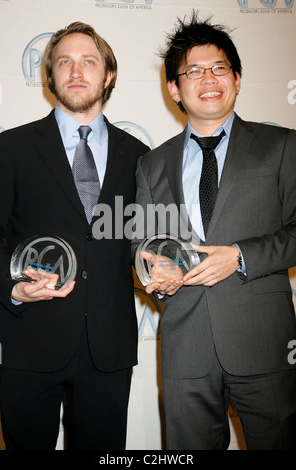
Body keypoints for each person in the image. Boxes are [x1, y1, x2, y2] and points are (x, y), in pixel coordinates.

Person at [132, 11, 296, 450]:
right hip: (186, 346)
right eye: (193, 71)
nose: (209, 78)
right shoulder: (151, 164)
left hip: (264, 341)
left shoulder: (282, 147)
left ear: (237, 79)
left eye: (219, 68)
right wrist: (154, 276)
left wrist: (240, 256)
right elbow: (144, 244)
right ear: (174, 88)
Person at [0, 22, 149, 450]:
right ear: (51, 76)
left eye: (89, 61)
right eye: (64, 61)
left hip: (109, 349)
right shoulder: (9, 149)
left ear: (108, 75)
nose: (76, 71)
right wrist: (13, 289)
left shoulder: (141, 158)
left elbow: (148, 242)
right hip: (27, 341)